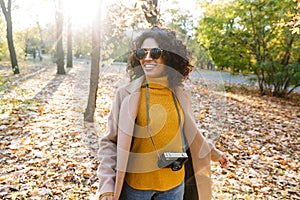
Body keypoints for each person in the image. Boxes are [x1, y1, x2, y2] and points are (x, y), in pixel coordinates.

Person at [96, 26, 228, 200]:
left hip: (174, 187)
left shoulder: (181, 93)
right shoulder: (126, 94)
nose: (148, 58)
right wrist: (106, 187)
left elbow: (191, 133)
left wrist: (213, 153)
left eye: (155, 52)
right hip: (136, 188)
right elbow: (110, 143)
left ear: (169, 57)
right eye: (142, 53)